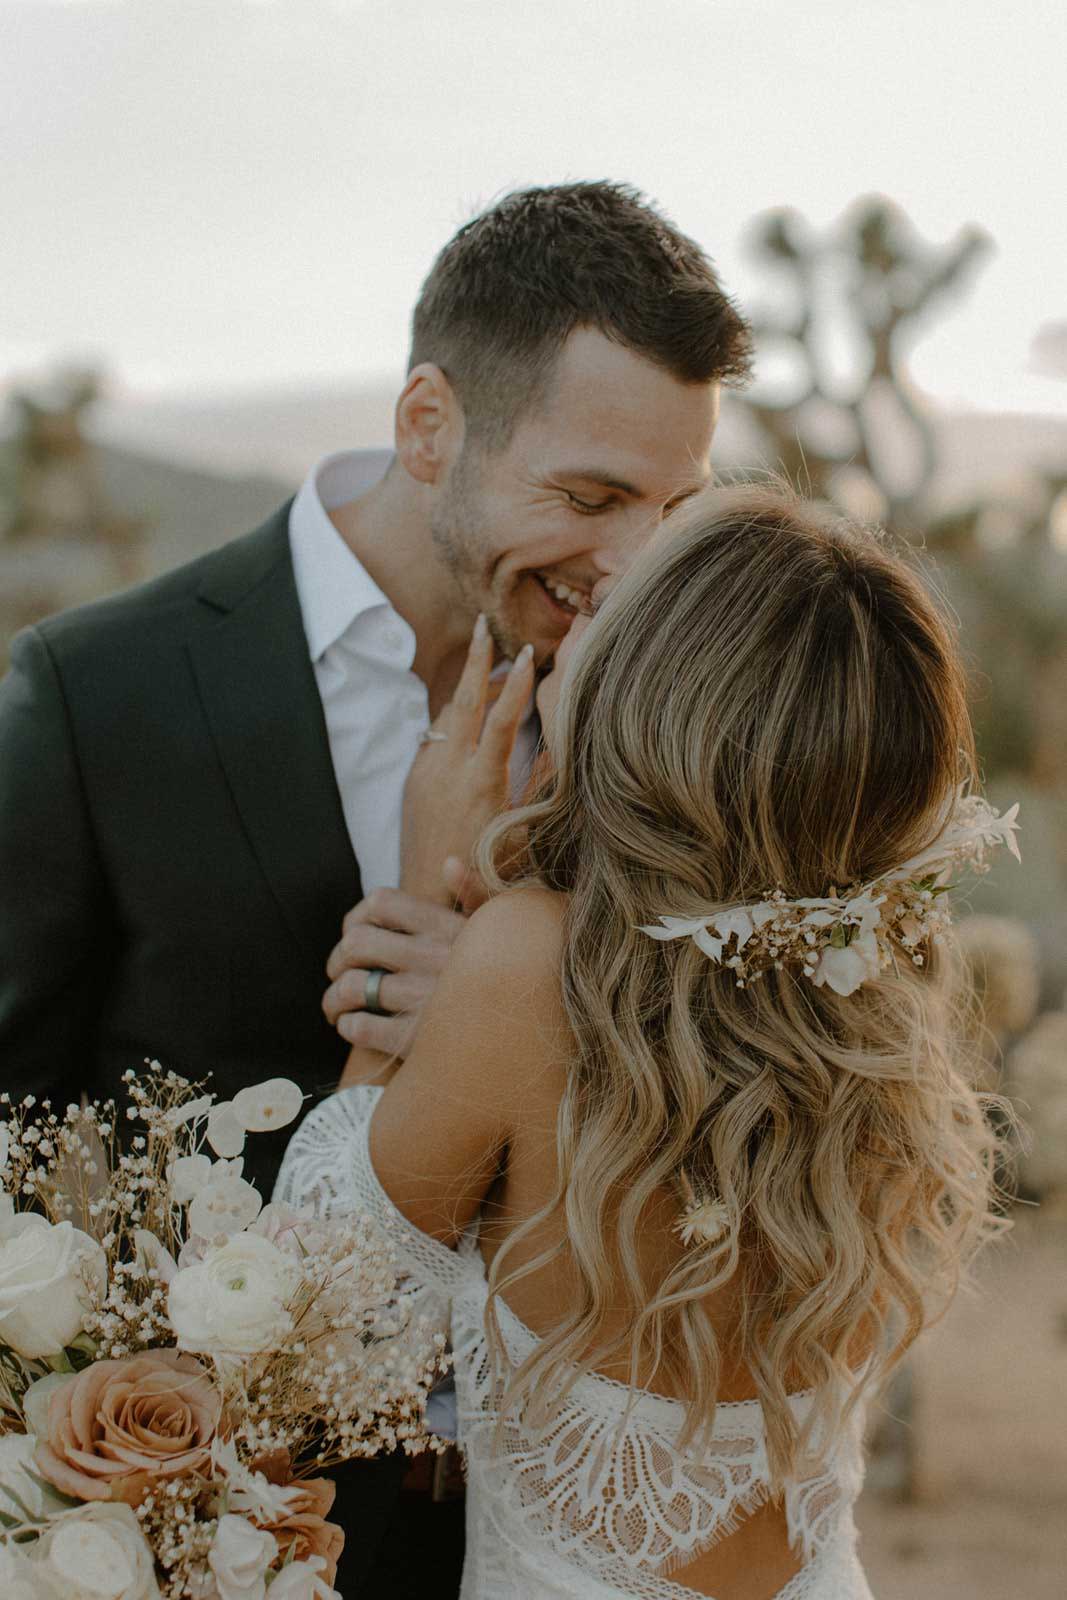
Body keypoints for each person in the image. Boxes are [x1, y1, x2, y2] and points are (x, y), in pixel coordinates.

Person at [0, 181, 751, 1595]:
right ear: (427, 429)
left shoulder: (669, 715)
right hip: (213, 1518)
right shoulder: (104, 692)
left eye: (671, 507)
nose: (633, 560)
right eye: (588, 498)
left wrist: (526, 1010)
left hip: (561, 1513)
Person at [276, 484, 1014, 1600]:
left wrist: (421, 892)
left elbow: (309, 1336)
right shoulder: (868, 980)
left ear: (647, 699)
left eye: (611, 612)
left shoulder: (526, 959)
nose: (573, 633)